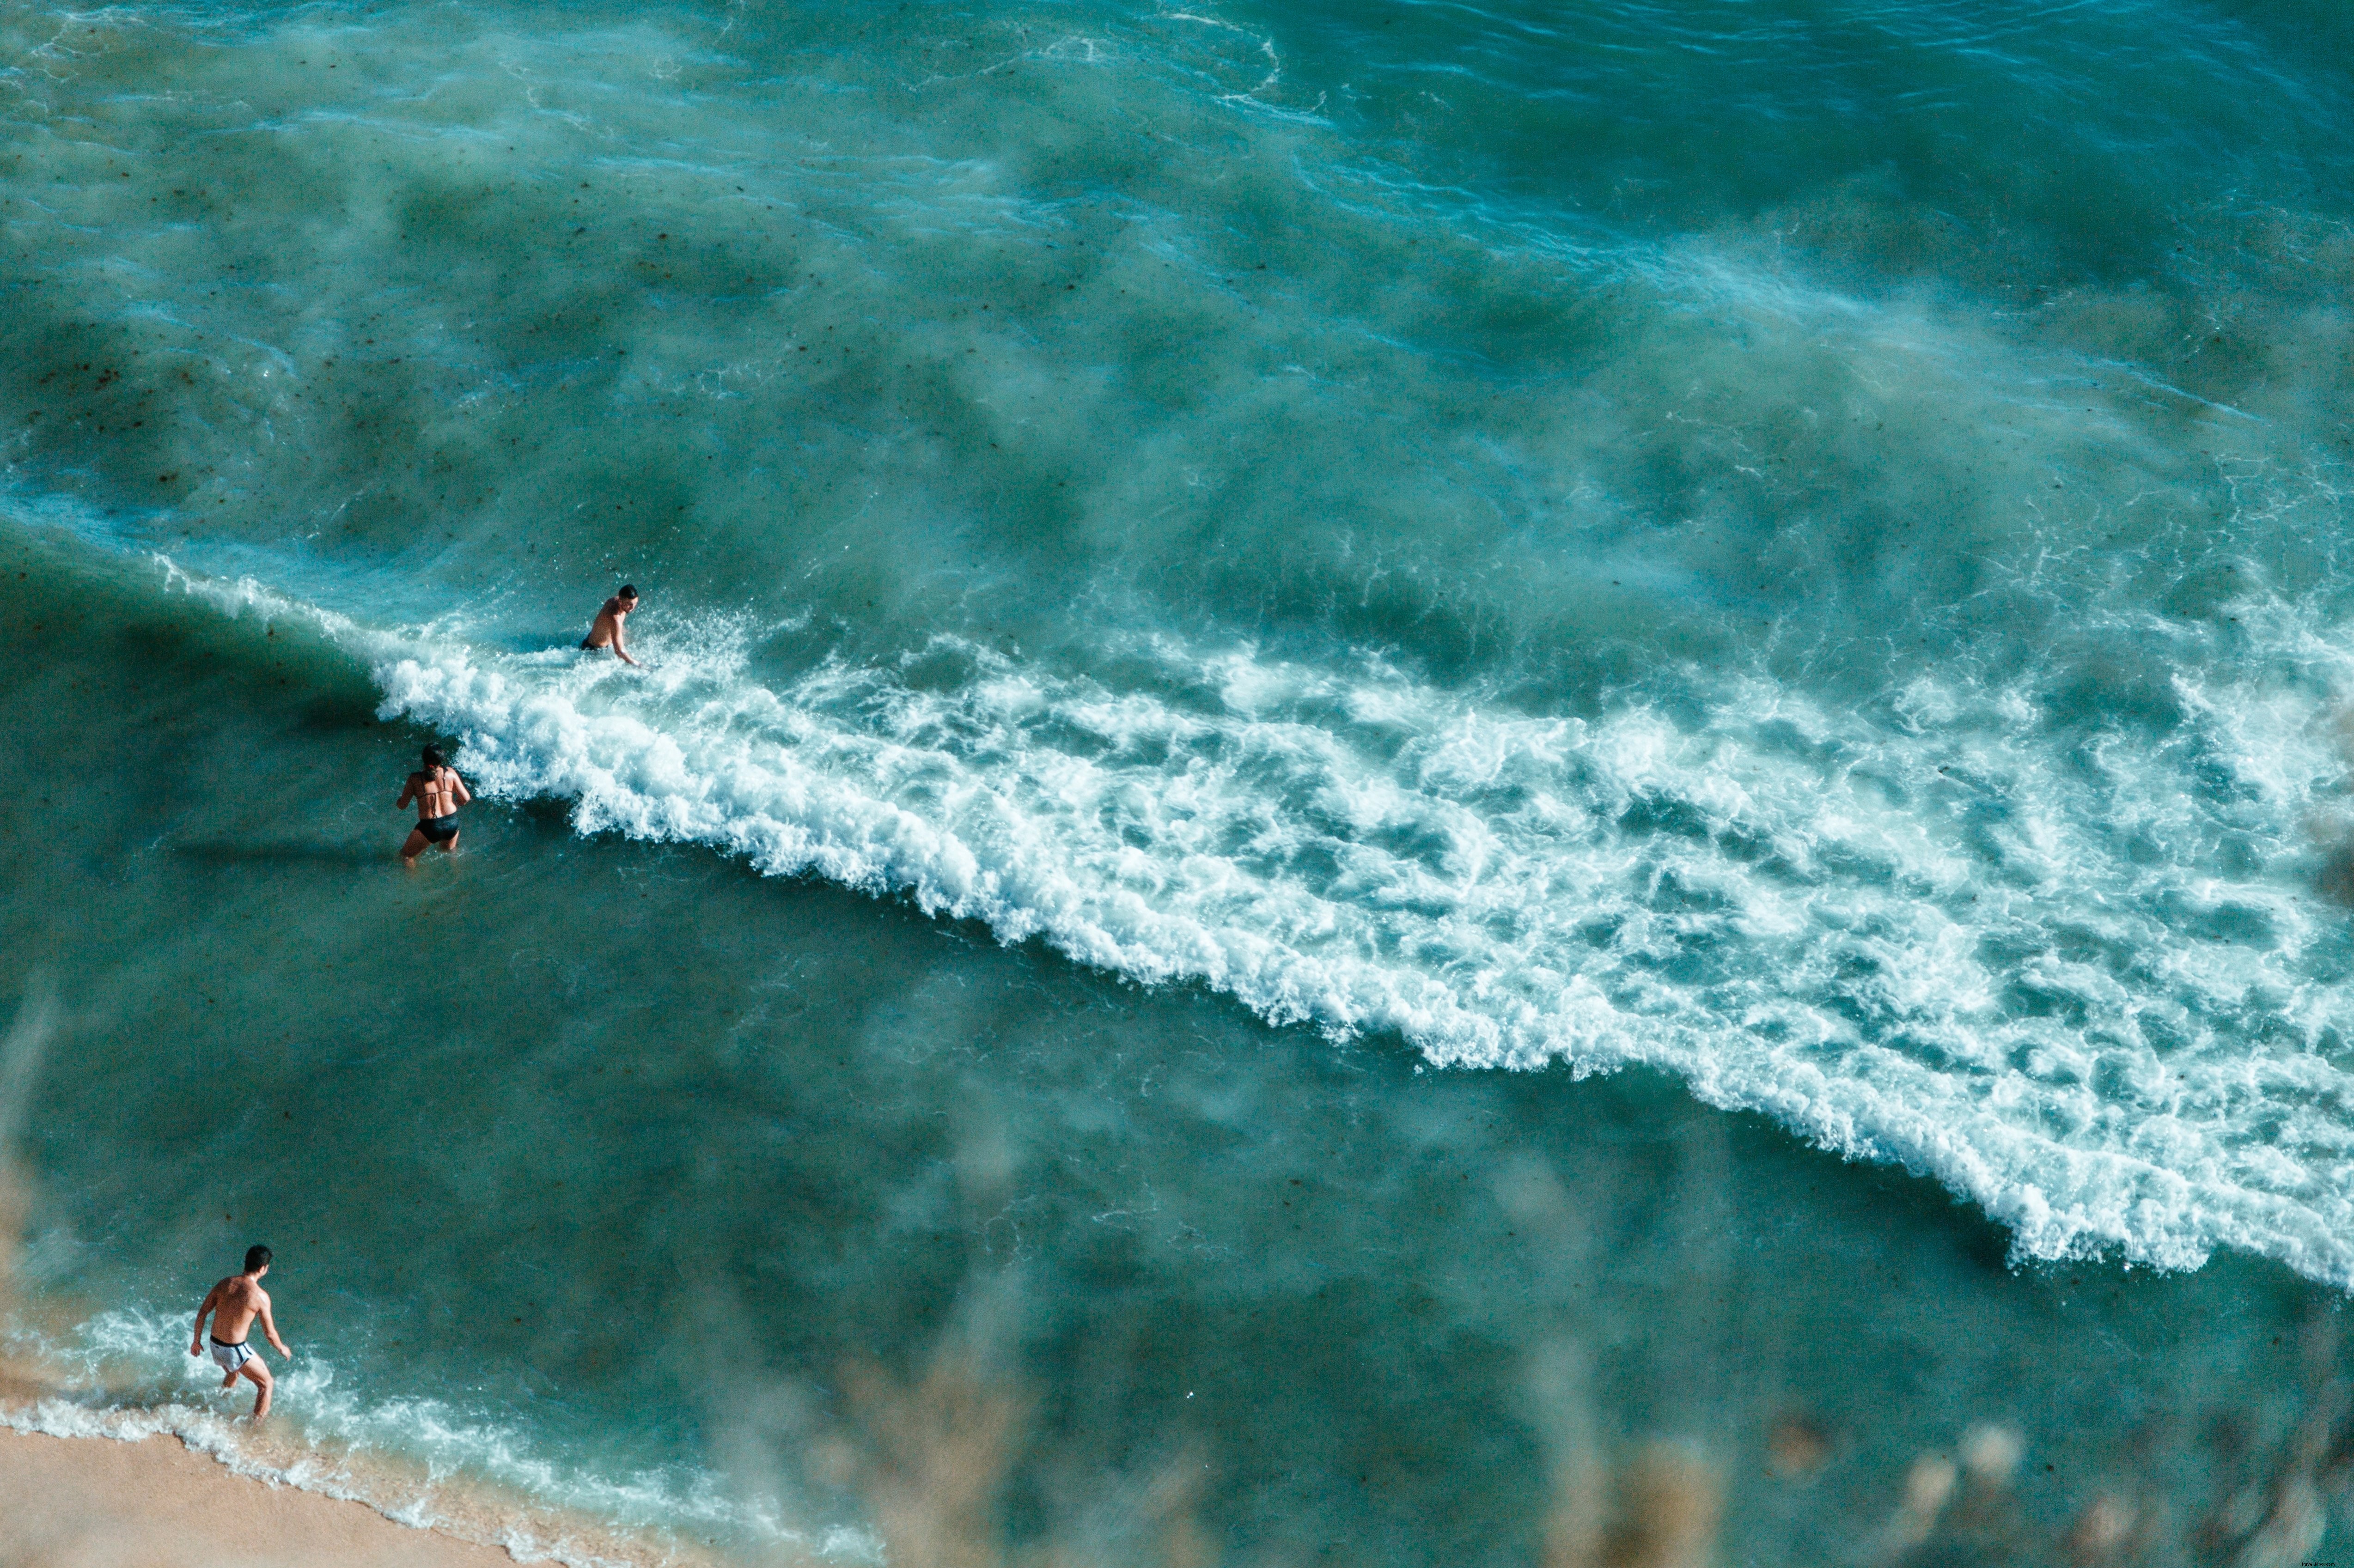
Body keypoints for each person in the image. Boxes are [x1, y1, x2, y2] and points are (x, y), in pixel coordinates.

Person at [190, 1245, 292, 1421]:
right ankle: (255, 1428)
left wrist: (196, 1342)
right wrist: (282, 1348)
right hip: (233, 1350)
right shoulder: (260, 1296)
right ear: (263, 1269)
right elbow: (270, 1334)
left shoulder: (225, 1283)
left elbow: (202, 1313)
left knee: (232, 1372)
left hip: (214, 1345)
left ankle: (220, 1403)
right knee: (267, 1384)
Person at [396, 743, 471, 866]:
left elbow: (402, 805)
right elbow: (466, 798)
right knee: (450, 852)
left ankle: (414, 884)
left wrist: (399, 801)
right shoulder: (450, 773)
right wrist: (456, 803)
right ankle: (456, 876)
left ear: (424, 759)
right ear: (441, 760)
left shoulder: (415, 779)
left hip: (430, 827)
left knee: (406, 856)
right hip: (451, 823)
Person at [581, 585, 640, 665]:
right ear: (620, 602)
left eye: (635, 603)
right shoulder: (615, 618)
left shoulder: (615, 600)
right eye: (629, 604)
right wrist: (638, 664)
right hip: (594, 652)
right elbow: (619, 651)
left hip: (595, 639)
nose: (632, 607)